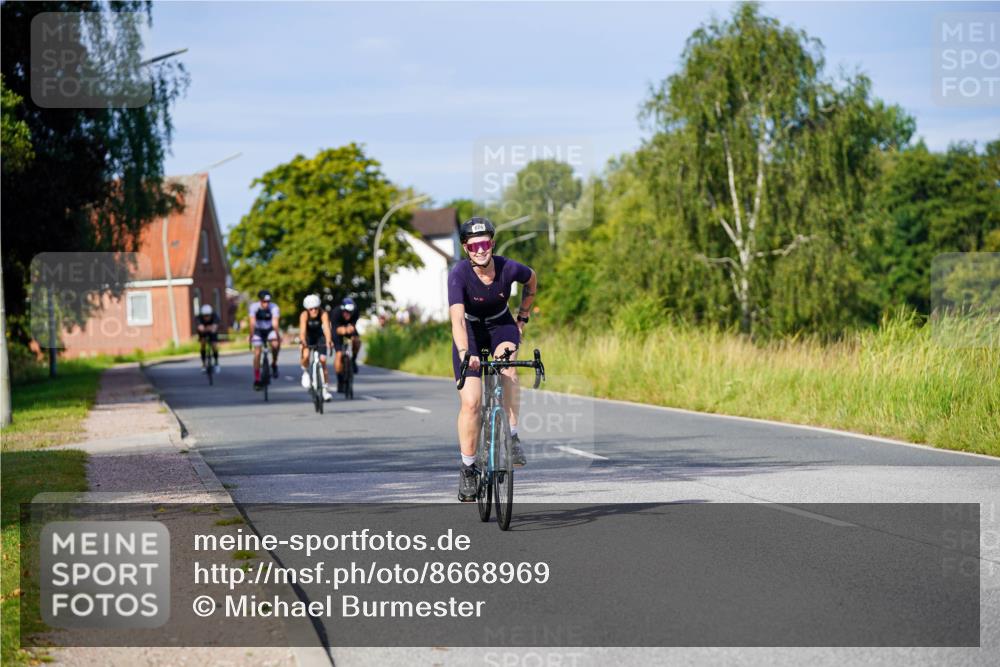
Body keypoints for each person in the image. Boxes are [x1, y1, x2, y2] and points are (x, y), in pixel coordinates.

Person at [448, 217, 537, 502]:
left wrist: (523, 315)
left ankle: (511, 437)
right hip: (470, 333)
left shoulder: (508, 267)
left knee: (508, 369)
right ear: (466, 248)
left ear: (492, 244)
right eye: (473, 246)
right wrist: (465, 354)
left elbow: (531, 279)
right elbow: (458, 321)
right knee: (472, 402)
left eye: (485, 243)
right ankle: (468, 469)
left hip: (501, 326)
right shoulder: (459, 274)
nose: (480, 250)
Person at [299, 294, 333, 401]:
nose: (314, 311)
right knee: (306, 355)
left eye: (316, 308)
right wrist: (303, 341)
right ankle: (305, 371)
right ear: (307, 309)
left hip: (319, 337)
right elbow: (303, 331)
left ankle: (325, 390)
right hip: (308, 337)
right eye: (311, 309)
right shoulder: (304, 315)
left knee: (323, 361)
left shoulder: (323, 314)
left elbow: (327, 329)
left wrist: (328, 341)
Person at [248, 289, 281, 389]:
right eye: (264, 302)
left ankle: (274, 363)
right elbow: (252, 322)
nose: (266, 304)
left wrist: (277, 335)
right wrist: (251, 335)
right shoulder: (254, 307)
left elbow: (275, 323)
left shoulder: (274, 307)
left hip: (269, 329)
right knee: (257, 353)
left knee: (275, 344)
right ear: (260, 300)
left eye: (268, 302)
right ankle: (257, 379)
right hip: (258, 330)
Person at [333, 296, 361, 389]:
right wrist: (343, 330)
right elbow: (335, 329)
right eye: (346, 312)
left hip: (349, 328)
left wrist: (350, 330)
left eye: (350, 312)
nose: (348, 315)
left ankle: (353, 360)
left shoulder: (356, 311)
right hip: (337, 330)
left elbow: (353, 325)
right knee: (339, 354)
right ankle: (340, 380)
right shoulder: (336, 312)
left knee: (356, 341)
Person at [195, 304, 221, 373]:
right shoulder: (199, 318)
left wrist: (209, 328)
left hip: (212, 332)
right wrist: (205, 328)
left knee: (214, 345)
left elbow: (214, 328)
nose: (206, 317)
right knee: (202, 344)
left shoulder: (215, 316)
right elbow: (200, 328)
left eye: (208, 315)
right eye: (205, 315)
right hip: (203, 332)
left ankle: (216, 363)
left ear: (211, 314)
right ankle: (203, 364)